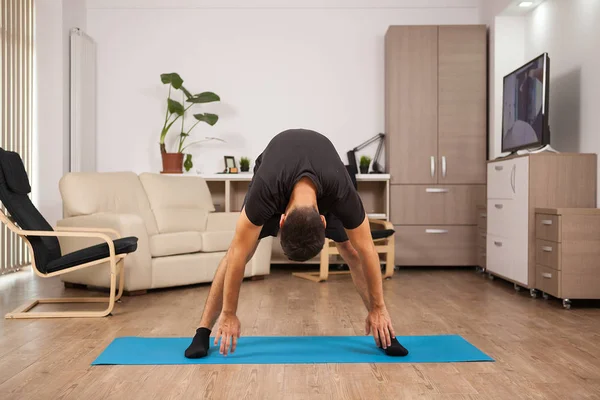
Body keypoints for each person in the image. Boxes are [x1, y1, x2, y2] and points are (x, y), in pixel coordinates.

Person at [184, 128, 408, 358]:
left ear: (323, 220)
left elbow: (367, 250)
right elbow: (238, 254)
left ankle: (382, 325)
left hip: (324, 181)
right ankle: (202, 331)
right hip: (274, 175)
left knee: (351, 250)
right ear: (279, 220)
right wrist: (229, 313)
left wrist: (379, 306)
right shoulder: (265, 192)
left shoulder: (341, 193)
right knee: (240, 251)